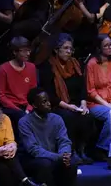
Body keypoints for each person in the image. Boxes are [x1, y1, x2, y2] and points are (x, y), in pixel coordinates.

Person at [18, 88, 78, 186]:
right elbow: (33, 149)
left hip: (54, 157)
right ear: (34, 105)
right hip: (32, 160)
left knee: (71, 165)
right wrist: (58, 157)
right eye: (44, 102)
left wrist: (65, 155)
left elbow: (64, 140)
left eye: (48, 101)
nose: (49, 104)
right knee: (45, 164)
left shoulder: (57, 119)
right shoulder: (24, 122)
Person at [38, 34, 94, 164]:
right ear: (56, 50)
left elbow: (82, 88)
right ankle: (71, 151)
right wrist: (69, 107)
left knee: (87, 116)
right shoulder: (48, 66)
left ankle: (82, 150)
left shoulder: (76, 64)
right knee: (69, 117)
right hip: (57, 105)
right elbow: (49, 95)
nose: (69, 51)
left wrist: (83, 105)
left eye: (71, 49)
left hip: (75, 104)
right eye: (65, 48)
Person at [86, 34, 111, 158]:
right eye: (106, 46)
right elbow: (91, 91)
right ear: (99, 48)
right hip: (96, 104)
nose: (110, 47)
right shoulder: (92, 64)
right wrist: (108, 105)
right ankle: (101, 148)